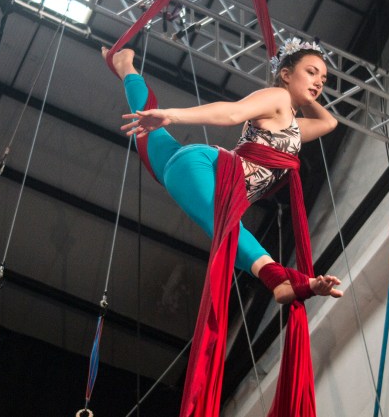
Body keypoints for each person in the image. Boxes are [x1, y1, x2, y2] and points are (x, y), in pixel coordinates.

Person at [102, 38, 343, 303]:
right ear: (286, 75)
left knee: (147, 129)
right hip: (205, 169)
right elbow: (232, 113)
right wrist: (173, 115)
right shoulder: (279, 98)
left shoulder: (293, 126)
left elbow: (329, 122)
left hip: (185, 171)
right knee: (225, 224)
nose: (319, 83)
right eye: (311, 72)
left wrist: (303, 86)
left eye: (323, 79)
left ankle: (126, 68)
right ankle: (276, 279)